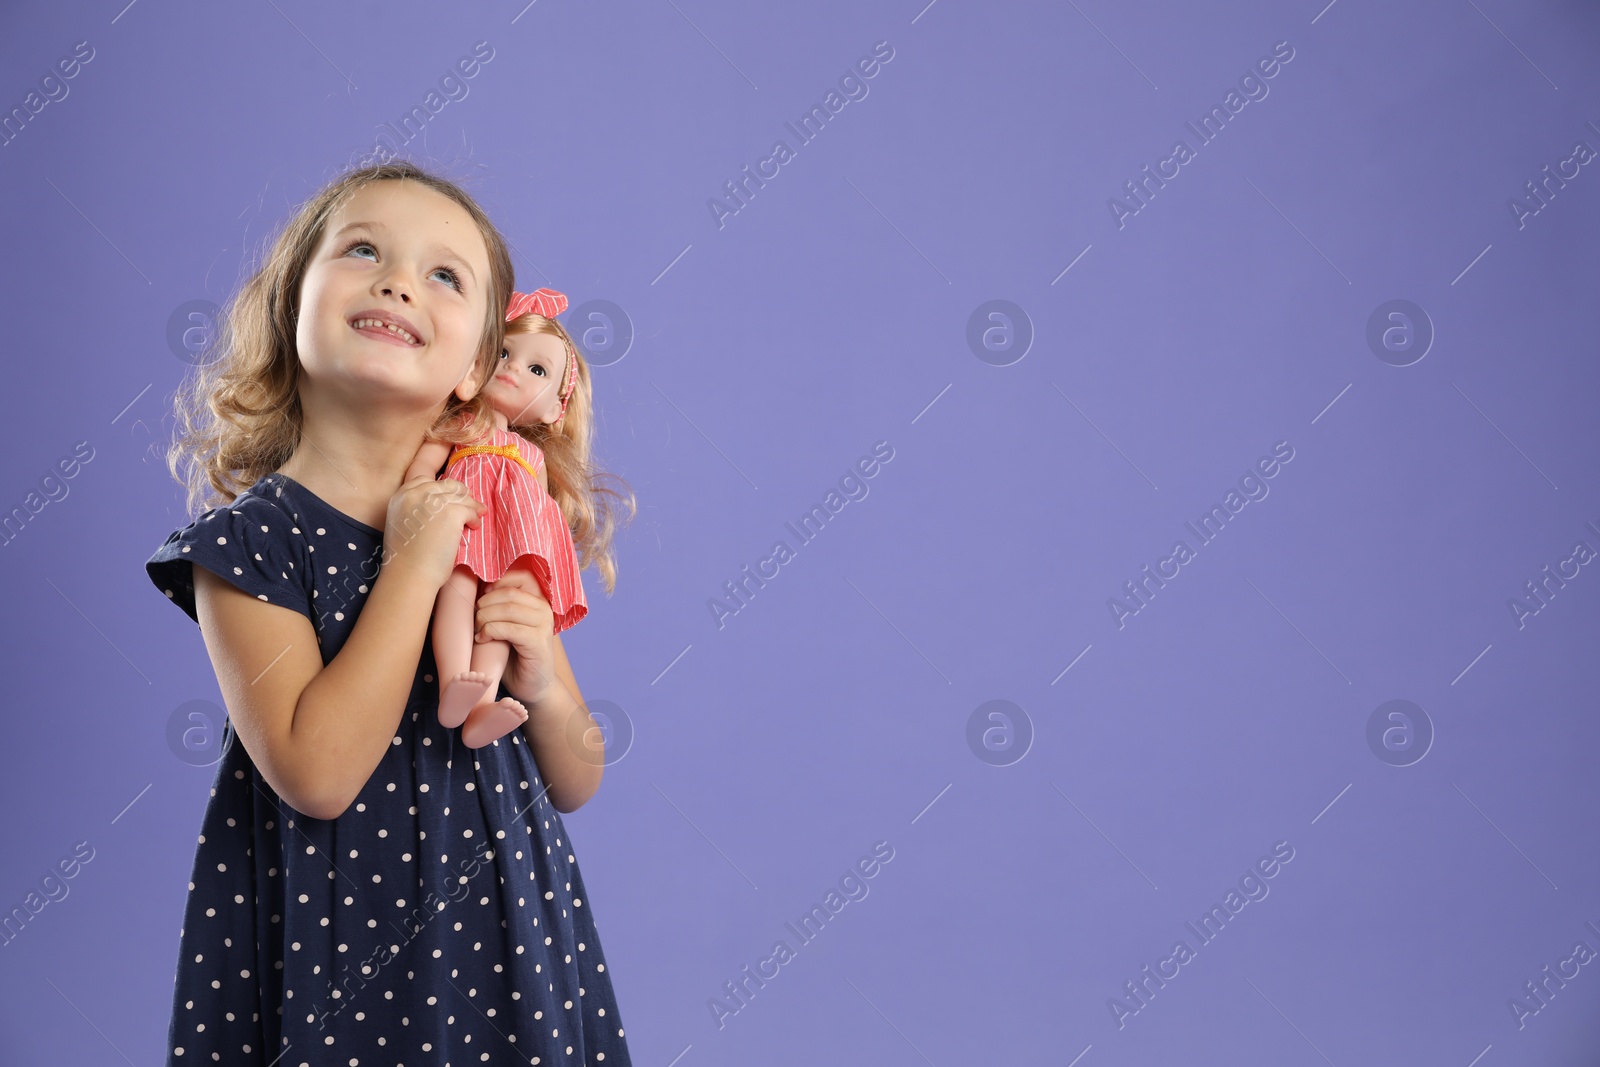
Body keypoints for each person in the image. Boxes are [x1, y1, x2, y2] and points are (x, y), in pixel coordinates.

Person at [144, 160, 636, 1066]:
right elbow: (317, 773)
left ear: (477, 370)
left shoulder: (487, 513)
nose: (398, 278)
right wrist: (412, 563)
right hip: (337, 948)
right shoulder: (249, 544)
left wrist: (543, 684)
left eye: (445, 274)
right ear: (291, 308)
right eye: (362, 249)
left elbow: (577, 777)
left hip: (504, 941)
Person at [407, 287, 600, 749]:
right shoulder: (466, 423)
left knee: (503, 616)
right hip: (466, 523)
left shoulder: (532, 455)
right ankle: (457, 681)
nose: (514, 368)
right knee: (458, 594)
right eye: (504, 353)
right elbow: (424, 465)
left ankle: (483, 702)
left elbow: (533, 504)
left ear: (556, 408)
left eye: (537, 369)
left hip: (516, 541)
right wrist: (419, 489)